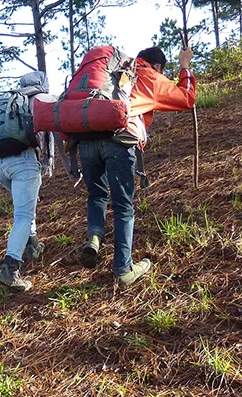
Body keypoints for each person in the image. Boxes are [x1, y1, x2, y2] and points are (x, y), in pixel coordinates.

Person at [76, 45, 196, 286]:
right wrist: (185, 66)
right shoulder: (150, 76)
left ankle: (95, 238)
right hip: (118, 141)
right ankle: (123, 269)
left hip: (86, 139)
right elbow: (187, 98)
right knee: (123, 206)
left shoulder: (114, 70)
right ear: (159, 66)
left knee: (97, 195)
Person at [0, 71, 62, 292]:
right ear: (43, 84)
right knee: (23, 215)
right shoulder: (44, 99)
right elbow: (59, 132)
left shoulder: (7, 100)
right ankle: (10, 270)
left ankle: (33, 246)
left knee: (24, 206)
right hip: (23, 163)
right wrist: (73, 168)